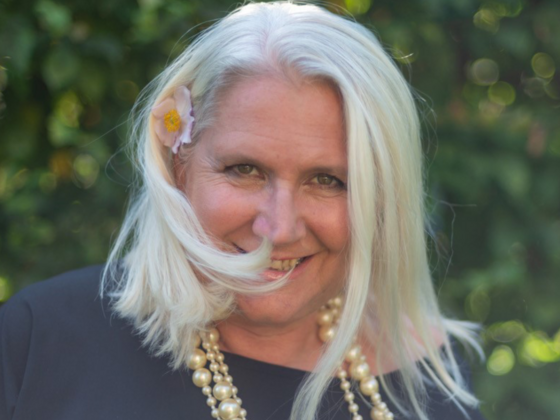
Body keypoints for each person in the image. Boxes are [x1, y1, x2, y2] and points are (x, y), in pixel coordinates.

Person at [0, 2, 486, 420]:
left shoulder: (430, 376)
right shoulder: (37, 344)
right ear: (179, 164)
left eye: (327, 180)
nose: (279, 227)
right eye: (245, 170)